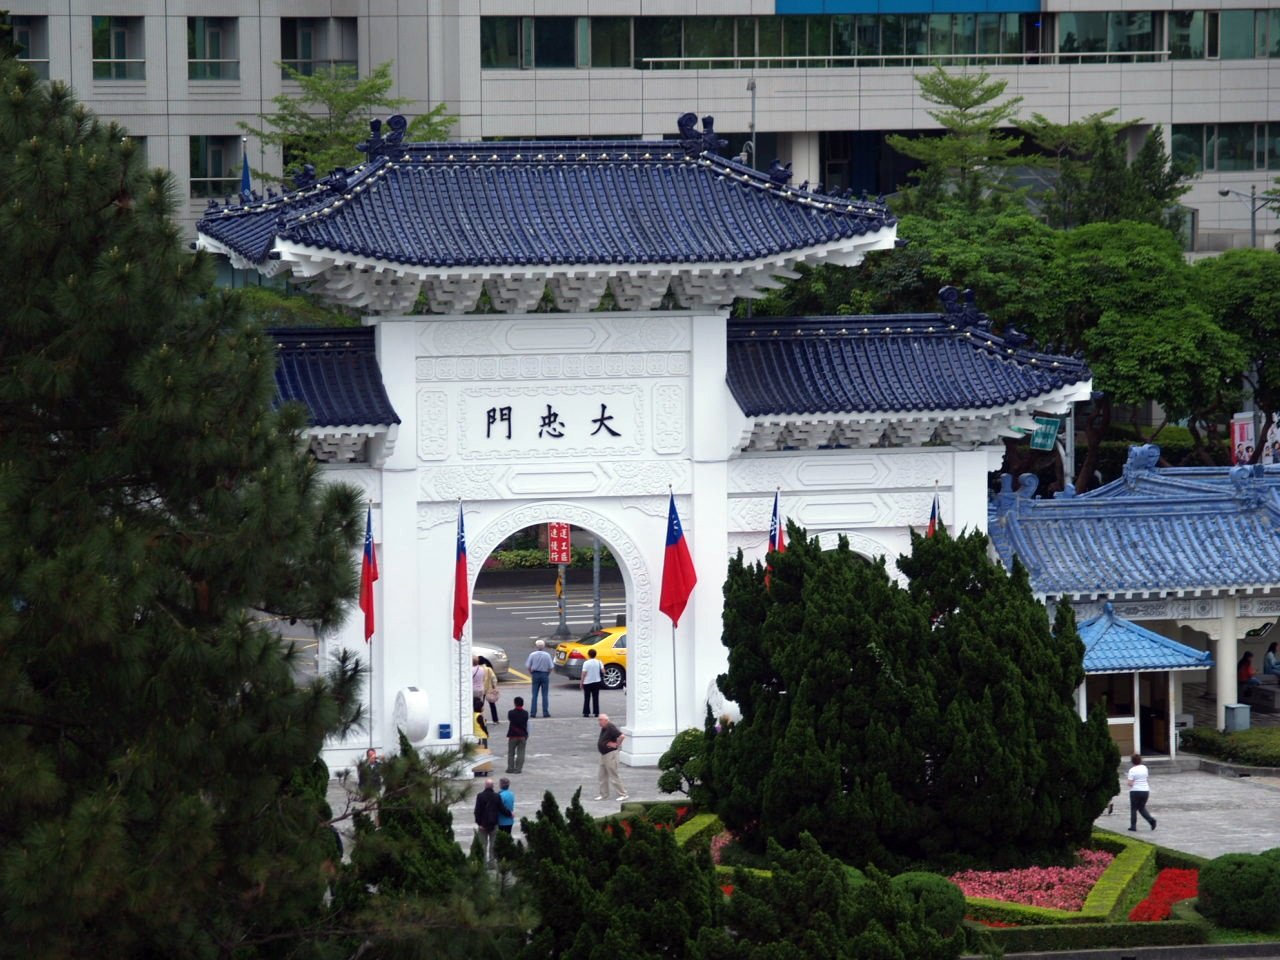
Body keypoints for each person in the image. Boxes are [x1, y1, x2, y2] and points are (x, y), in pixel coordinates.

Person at [595, 713, 628, 802]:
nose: (599, 722)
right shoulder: (604, 728)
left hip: (610, 754)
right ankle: (604, 794)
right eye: (599, 720)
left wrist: (617, 744)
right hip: (603, 755)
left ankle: (623, 794)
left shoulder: (610, 727)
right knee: (602, 775)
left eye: (600, 720)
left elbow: (622, 736)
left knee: (613, 774)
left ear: (606, 720)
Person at [473, 778, 505, 861]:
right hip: (494, 824)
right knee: (493, 845)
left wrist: (479, 823)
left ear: (485, 786)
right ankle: (491, 863)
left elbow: (477, 811)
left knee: (483, 845)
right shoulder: (497, 796)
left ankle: (483, 864)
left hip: (482, 825)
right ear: (493, 786)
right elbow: (502, 809)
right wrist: (510, 814)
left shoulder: (480, 796)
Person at [1126, 753, 1156, 831]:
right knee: (1141, 807)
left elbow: (1130, 783)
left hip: (1135, 791)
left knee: (1133, 809)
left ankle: (1133, 826)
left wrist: (1130, 782)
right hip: (1145, 790)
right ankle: (1151, 820)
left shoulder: (1132, 770)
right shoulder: (1144, 768)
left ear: (1132, 761)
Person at [526, 639, 554, 718]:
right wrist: (547, 674)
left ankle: (533, 713)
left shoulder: (532, 655)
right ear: (544, 646)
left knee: (534, 695)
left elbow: (528, 666)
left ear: (536, 646)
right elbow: (551, 667)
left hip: (535, 674)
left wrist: (531, 673)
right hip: (544, 674)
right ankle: (545, 712)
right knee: (545, 695)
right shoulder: (547, 655)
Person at [506, 695, 530, 773]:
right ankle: (518, 769)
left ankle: (510, 768)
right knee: (521, 753)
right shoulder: (525, 713)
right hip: (522, 735)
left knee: (511, 753)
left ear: (515, 703)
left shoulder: (511, 713)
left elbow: (510, 719)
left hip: (513, 735)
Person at [580, 647, 604, 717]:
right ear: (595, 655)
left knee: (587, 698)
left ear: (589, 655)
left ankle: (586, 712)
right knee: (596, 697)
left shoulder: (586, 663)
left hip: (587, 682)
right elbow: (603, 671)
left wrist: (581, 682)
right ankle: (596, 712)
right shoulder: (599, 662)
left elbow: (583, 673)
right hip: (597, 681)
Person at [481, 656, 501, 724]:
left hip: (480, 690)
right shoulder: (488, 669)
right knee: (492, 705)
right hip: (489, 689)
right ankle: (495, 720)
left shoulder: (477, 669)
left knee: (479, 705)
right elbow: (494, 678)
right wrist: (494, 687)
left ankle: (481, 720)